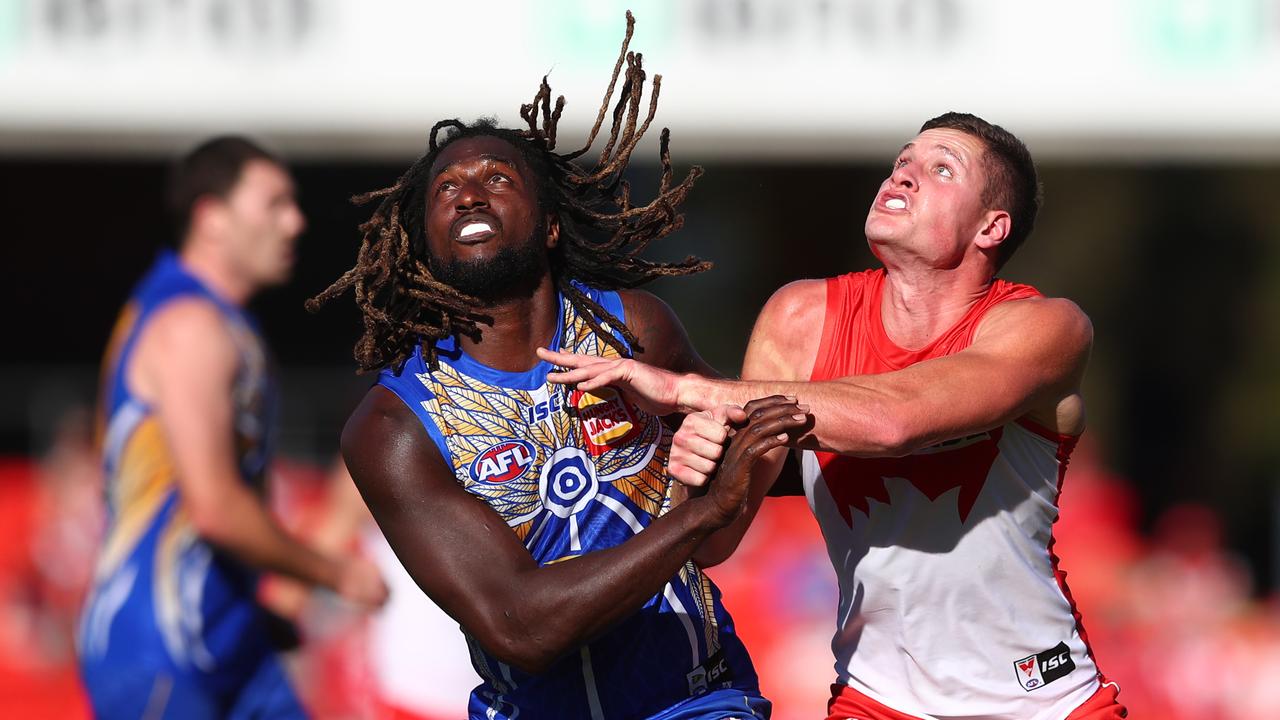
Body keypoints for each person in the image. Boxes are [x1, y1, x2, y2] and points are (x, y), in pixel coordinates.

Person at [539, 112, 1129, 719]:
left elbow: (894, 421)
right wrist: (701, 474)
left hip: (1045, 696)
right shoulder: (800, 318)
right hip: (876, 701)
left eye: (940, 169)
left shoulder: (1046, 327)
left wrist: (694, 391)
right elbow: (716, 542)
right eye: (902, 161)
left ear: (991, 227)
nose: (902, 177)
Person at [307, 13, 804, 720]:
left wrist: (740, 467)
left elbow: (743, 483)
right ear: (425, 245)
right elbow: (521, 628)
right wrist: (700, 519)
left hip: (696, 702)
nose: (468, 194)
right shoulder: (392, 425)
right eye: (445, 190)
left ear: (547, 224)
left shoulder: (634, 329)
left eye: (496, 179)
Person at [78, 136, 389, 720]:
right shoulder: (190, 326)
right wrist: (334, 573)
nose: (295, 222)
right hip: (165, 647)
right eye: (273, 203)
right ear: (211, 219)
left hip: (230, 639)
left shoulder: (217, 321)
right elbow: (214, 508)